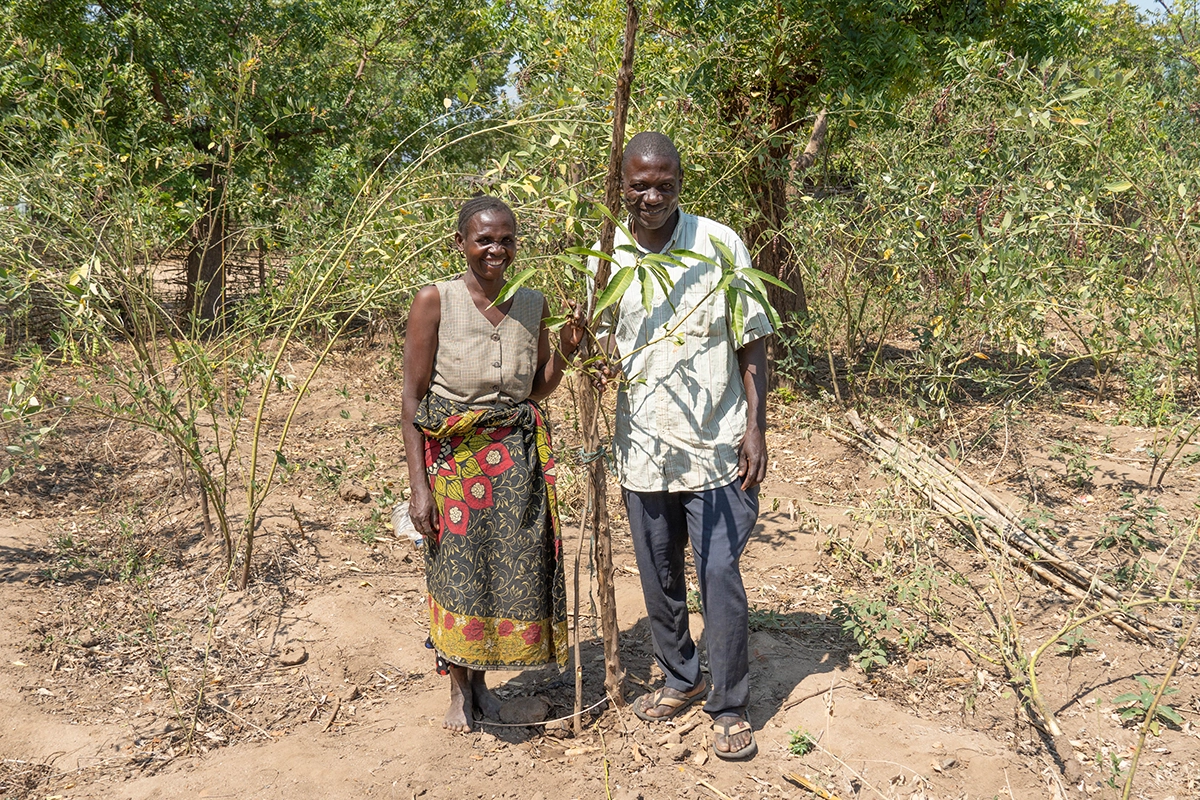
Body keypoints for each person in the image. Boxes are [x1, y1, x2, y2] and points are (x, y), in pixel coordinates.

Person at [598, 132, 771, 760]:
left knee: (718, 572)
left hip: (718, 444)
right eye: (640, 184)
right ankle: (681, 676)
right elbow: (585, 344)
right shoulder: (603, 254)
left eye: (664, 184)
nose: (652, 196)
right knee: (659, 573)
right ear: (621, 184)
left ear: (680, 183)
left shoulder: (719, 244)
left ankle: (729, 705)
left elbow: (752, 340)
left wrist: (756, 425)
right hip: (642, 446)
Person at [401, 196, 583, 733]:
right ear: (461, 243)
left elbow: (537, 388)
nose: (495, 250)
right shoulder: (436, 301)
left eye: (506, 240)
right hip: (456, 464)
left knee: (504, 574)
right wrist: (419, 487)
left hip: (516, 464)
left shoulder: (532, 303)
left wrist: (570, 346)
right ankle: (459, 690)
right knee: (458, 574)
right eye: (484, 239)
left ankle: (484, 683)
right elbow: (412, 399)